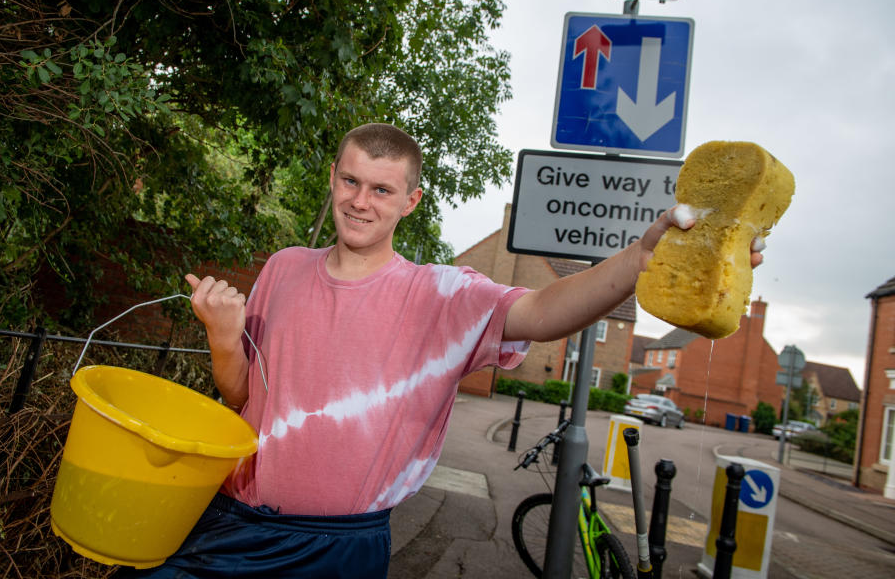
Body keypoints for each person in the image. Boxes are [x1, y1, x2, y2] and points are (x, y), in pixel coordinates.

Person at [120, 123, 762, 578]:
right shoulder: (284, 267)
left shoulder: (440, 294)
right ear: (335, 179)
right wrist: (222, 337)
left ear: (410, 201)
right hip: (230, 519)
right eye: (350, 181)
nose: (359, 201)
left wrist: (641, 260)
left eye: (380, 189)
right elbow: (240, 398)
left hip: (338, 547)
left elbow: (541, 312)